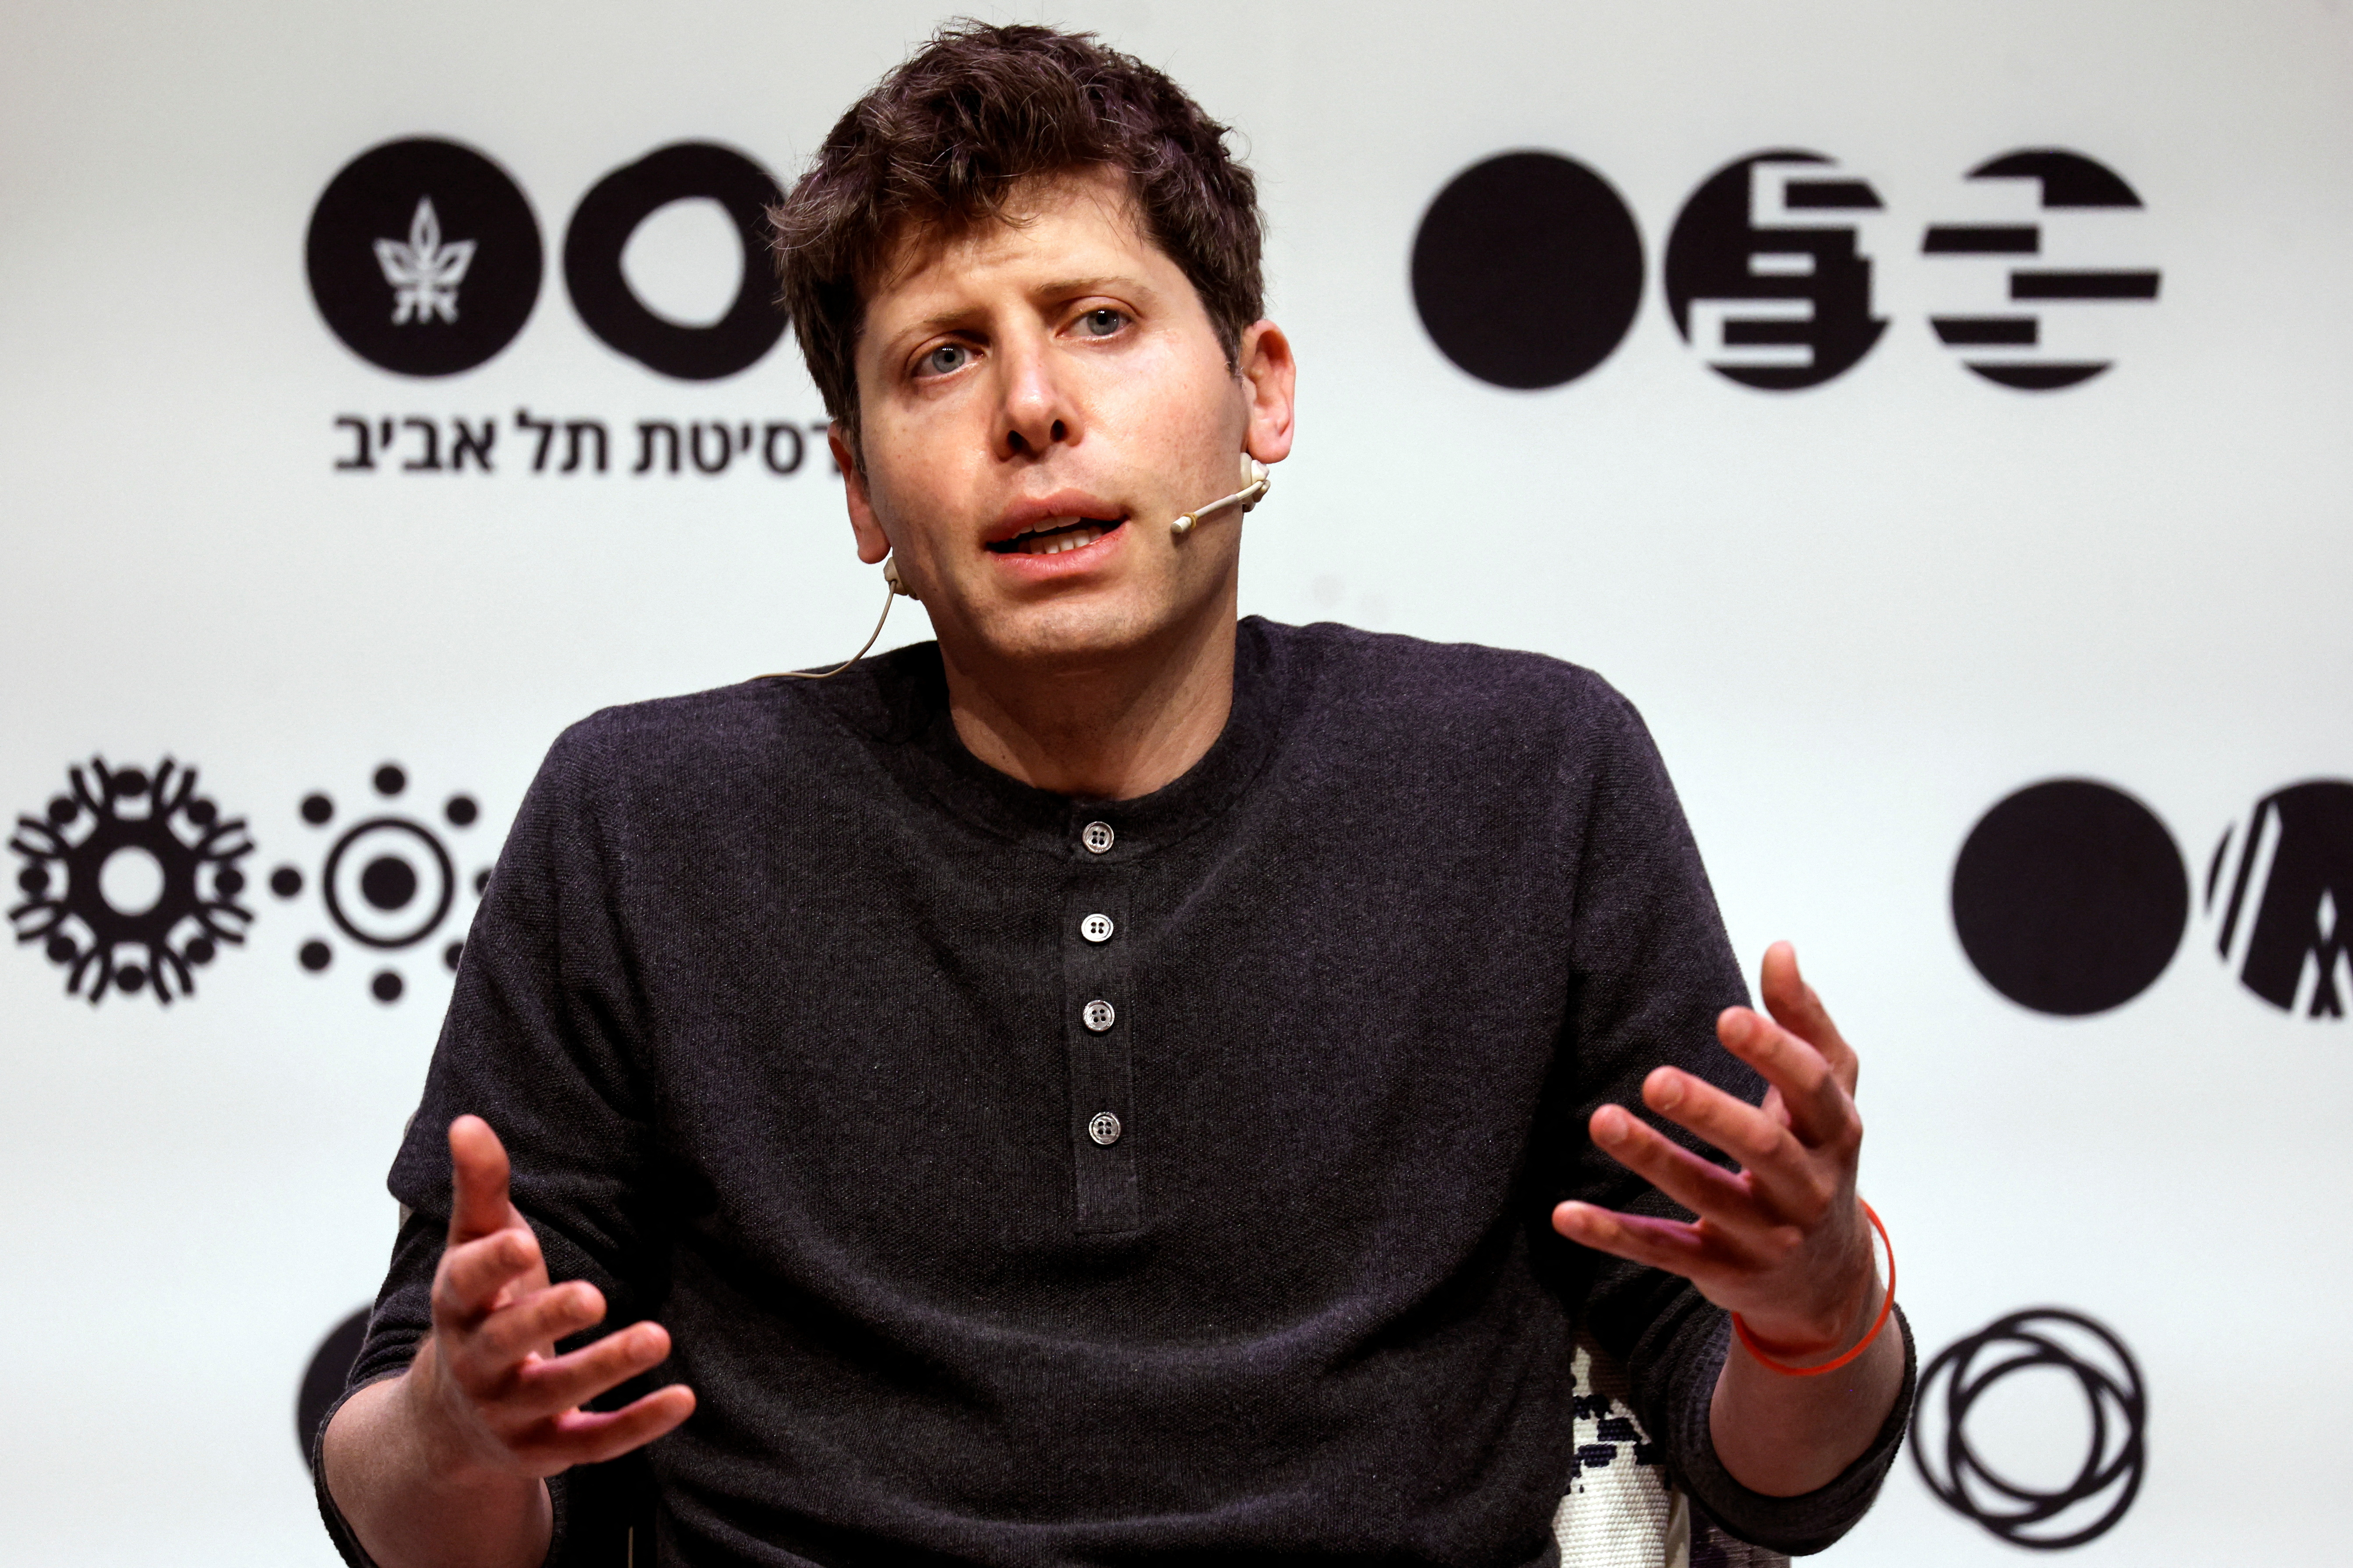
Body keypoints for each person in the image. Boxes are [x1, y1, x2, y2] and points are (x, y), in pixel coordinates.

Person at [318, 22, 1913, 1568]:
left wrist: (1819, 1308)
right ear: (863, 490)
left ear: (1260, 391)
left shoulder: (1533, 769)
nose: (1030, 407)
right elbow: (432, 1519)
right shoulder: (644, 818)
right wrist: (457, 1430)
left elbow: (1775, 1467)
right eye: (942, 356)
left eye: (1096, 319)